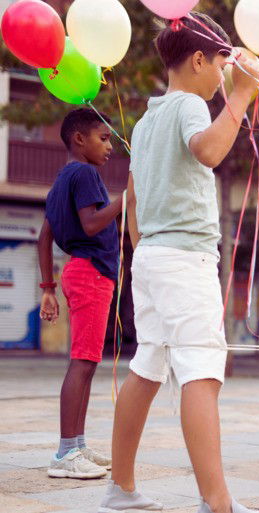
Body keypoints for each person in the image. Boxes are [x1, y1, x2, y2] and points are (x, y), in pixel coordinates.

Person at [98, 13, 259, 513]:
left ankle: (122, 489)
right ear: (198, 60)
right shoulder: (189, 108)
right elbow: (210, 150)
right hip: (184, 258)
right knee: (201, 370)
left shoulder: (149, 117)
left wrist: (141, 253)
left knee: (147, 366)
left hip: (150, 257)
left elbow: (132, 195)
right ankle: (217, 503)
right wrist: (241, 96)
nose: (224, 76)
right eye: (221, 65)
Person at [39, 108, 122, 480]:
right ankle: (64, 452)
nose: (109, 146)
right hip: (89, 273)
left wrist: (48, 289)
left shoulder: (62, 180)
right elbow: (91, 224)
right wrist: (125, 199)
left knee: (87, 362)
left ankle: (77, 444)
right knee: (83, 362)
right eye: (103, 138)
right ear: (79, 139)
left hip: (79, 271)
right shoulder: (85, 173)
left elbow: (43, 238)